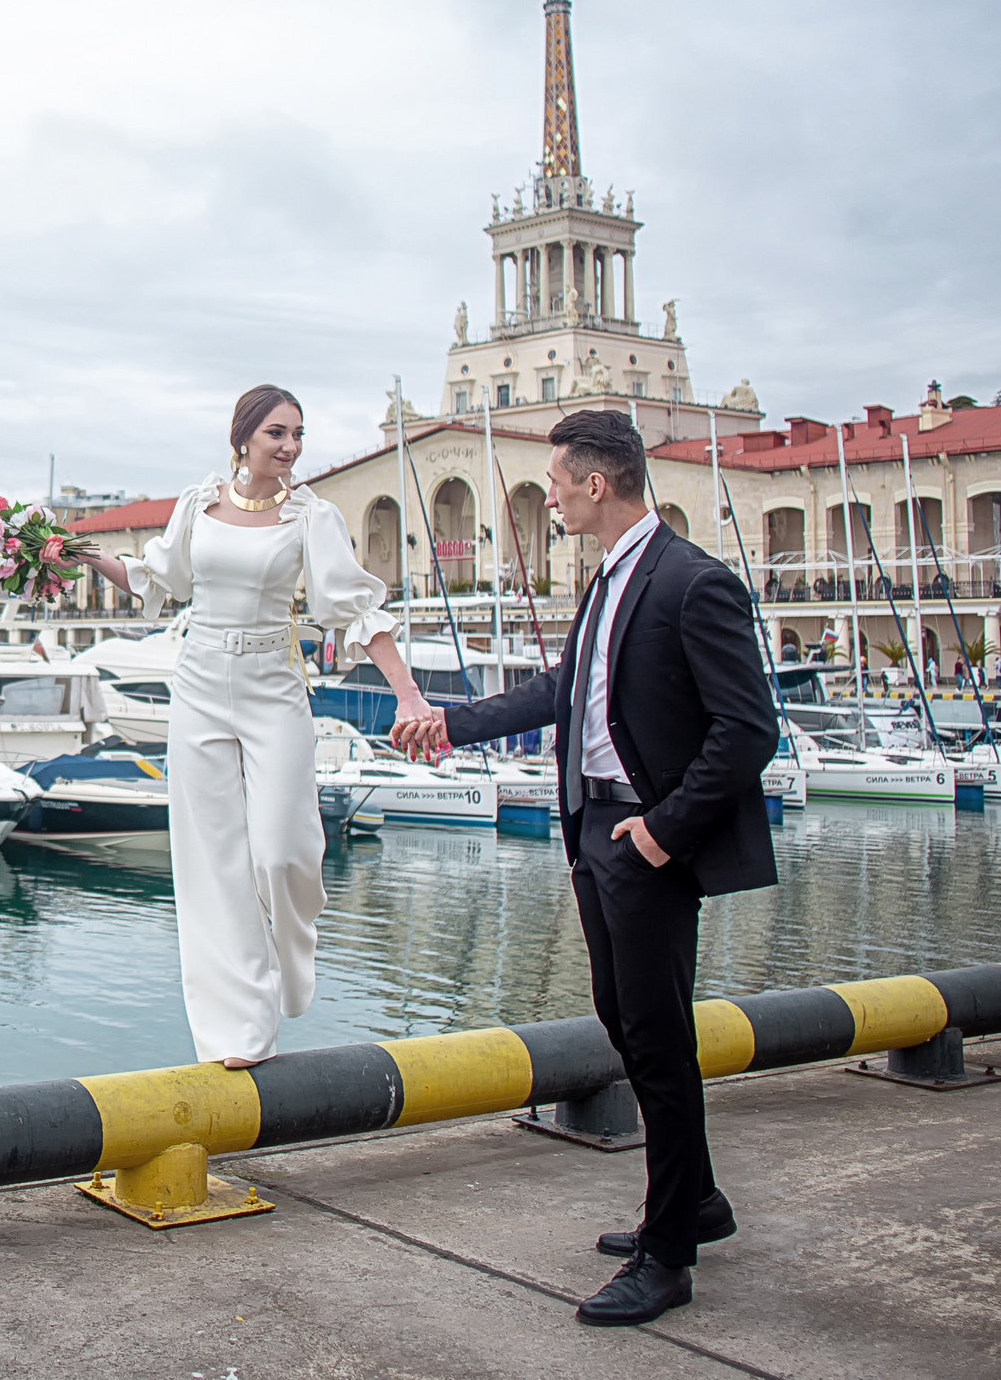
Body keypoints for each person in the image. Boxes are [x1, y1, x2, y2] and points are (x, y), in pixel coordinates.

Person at [396, 409, 777, 1329]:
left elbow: (749, 729)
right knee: (625, 1018)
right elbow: (562, 694)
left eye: (561, 482)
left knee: (654, 1034)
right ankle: (697, 1200)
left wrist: (662, 831)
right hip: (596, 828)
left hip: (645, 837)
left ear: (597, 484)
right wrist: (449, 723)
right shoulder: (609, 577)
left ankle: (669, 1254)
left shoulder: (692, 581)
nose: (553, 496)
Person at [66, 385, 440, 1068]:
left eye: (298, 433)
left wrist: (410, 697)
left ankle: (293, 955)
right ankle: (235, 1033)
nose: (291, 446)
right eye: (277, 432)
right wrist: (85, 556)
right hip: (200, 684)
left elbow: (356, 611)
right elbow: (156, 580)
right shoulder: (196, 504)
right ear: (243, 438)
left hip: (273, 687)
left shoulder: (311, 516)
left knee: (281, 850)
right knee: (210, 862)